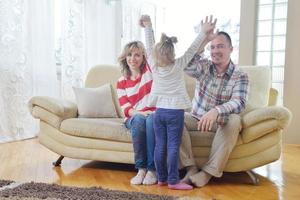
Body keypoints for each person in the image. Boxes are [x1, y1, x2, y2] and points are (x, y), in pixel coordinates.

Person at [140, 15, 217, 190]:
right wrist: (203, 32)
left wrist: (148, 26)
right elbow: (192, 49)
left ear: (155, 54)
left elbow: (150, 45)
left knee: (160, 146)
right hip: (175, 113)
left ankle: (161, 178)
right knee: (173, 146)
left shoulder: (153, 64)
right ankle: (173, 181)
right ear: (173, 54)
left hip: (159, 112)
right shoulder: (178, 64)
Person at [181, 31, 249, 187]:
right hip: (196, 118)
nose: (215, 51)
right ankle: (190, 168)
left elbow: (239, 102)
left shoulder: (240, 76)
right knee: (172, 116)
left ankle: (207, 173)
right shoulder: (204, 66)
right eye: (212, 47)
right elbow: (184, 65)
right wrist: (204, 39)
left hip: (221, 122)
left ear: (231, 49)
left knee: (235, 120)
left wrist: (216, 111)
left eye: (220, 46)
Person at [116, 41, 157, 185]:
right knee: (140, 120)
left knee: (151, 120)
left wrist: (148, 27)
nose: (132, 58)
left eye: (137, 55)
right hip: (134, 117)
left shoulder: (149, 71)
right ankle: (141, 169)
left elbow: (153, 52)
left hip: (152, 114)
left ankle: (152, 171)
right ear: (124, 57)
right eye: (129, 55)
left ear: (143, 57)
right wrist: (140, 113)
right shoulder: (121, 82)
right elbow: (125, 108)